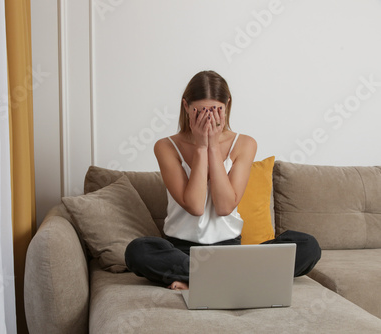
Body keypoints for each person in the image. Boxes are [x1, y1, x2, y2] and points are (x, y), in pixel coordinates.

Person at [125, 70, 321, 290]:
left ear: (226, 106)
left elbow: (225, 206)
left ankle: (201, 280)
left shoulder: (245, 144)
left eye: (215, 110)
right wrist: (201, 147)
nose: (207, 119)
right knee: (138, 251)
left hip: (229, 250)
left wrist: (214, 147)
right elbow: (196, 206)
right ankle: (232, 279)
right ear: (186, 107)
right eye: (199, 111)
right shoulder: (166, 146)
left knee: (308, 246)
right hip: (181, 251)